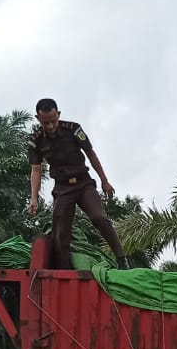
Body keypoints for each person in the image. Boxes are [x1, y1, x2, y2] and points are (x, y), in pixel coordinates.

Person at [26, 97, 129, 270]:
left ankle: (122, 259)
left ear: (58, 114)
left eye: (53, 121)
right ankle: (63, 270)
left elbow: (91, 154)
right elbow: (36, 170)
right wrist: (33, 198)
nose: (50, 126)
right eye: (46, 123)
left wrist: (105, 181)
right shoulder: (35, 141)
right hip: (62, 188)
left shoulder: (73, 129)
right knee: (60, 233)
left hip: (83, 184)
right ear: (38, 118)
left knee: (99, 217)